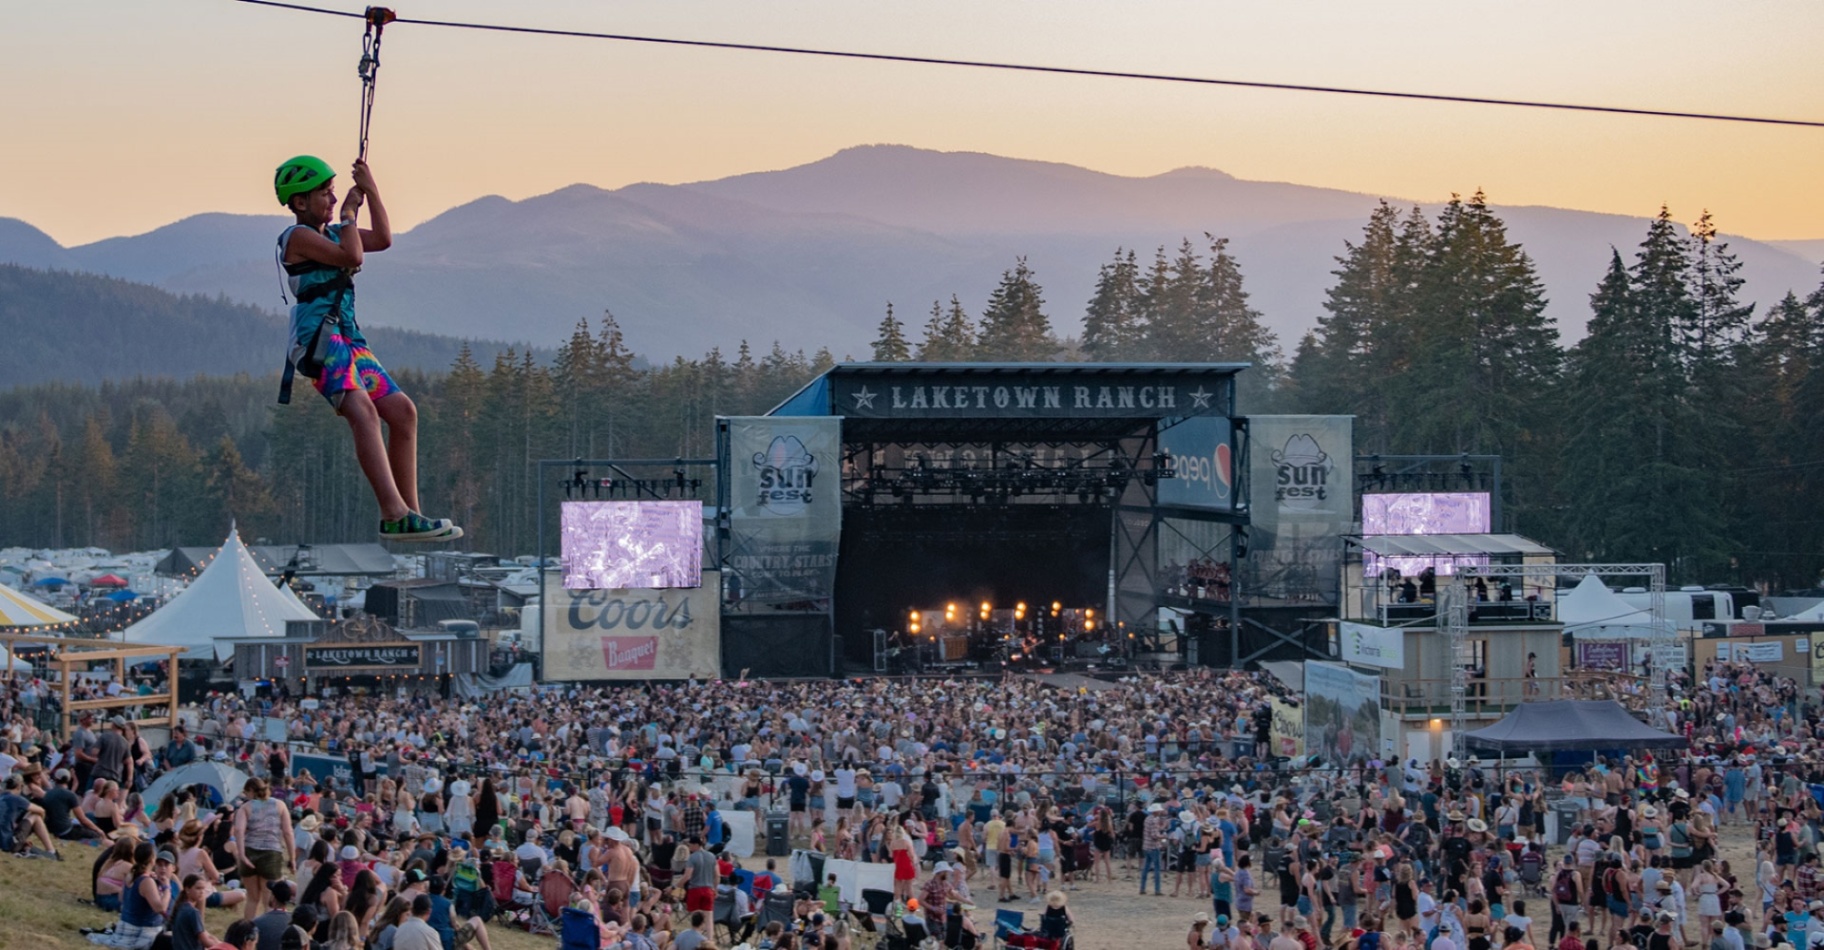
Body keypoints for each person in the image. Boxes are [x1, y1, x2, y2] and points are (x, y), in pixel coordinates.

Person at [271, 154, 458, 542]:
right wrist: (350, 215)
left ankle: (409, 514)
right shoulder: (298, 238)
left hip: (349, 336)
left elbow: (383, 240)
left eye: (332, 190)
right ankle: (393, 512)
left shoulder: (334, 232)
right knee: (364, 412)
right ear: (300, 202)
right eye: (323, 193)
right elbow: (352, 255)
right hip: (319, 338)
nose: (331, 198)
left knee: (403, 413)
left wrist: (370, 188)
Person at [232, 777, 295, 922]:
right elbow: (288, 832)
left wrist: (241, 854)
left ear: (252, 791)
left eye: (246, 792)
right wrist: (292, 858)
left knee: (252, 899)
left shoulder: (245, 807)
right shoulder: (280, 805)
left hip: (249, 852)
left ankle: (246, 933)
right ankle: (266, 935)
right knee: (269, 902)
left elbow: (239, 830)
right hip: (271, 854)